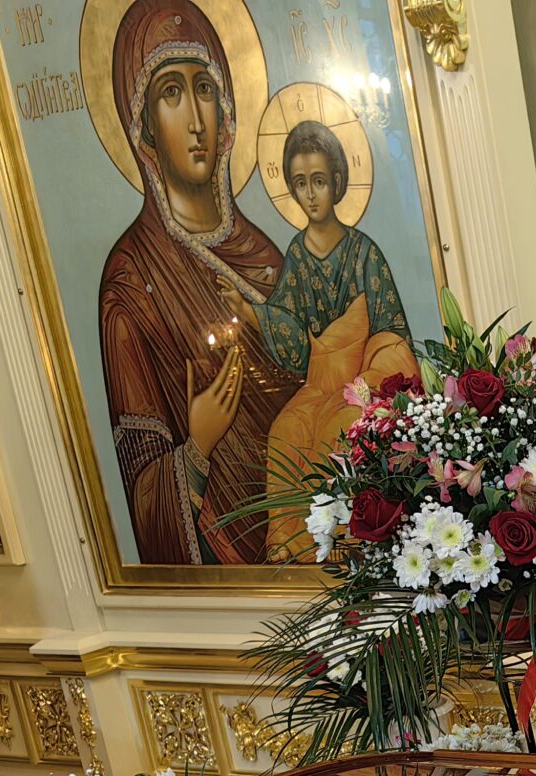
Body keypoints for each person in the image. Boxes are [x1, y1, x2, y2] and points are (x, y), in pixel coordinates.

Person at [96, 0, 296, 564]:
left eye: (204, 89)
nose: (195, 119)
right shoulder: (130, 281)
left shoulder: (267, 257)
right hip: (224, 567)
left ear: (227, 111)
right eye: (170, 93)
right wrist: (198, 446)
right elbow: (143, 491)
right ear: (143, 130)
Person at [225, 119, 409, 376]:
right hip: (322, 384)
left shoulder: (365, 253)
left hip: (369, 385)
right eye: (301, 183)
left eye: (319, 181)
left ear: (336, 182)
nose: (310, 194)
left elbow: (391, 333)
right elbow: (291, 328)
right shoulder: (298, 254)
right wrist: (244, 310)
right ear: (292, 190)